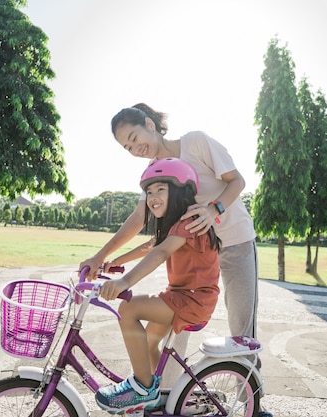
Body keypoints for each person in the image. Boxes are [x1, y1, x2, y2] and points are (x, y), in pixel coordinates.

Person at [81, 103, 259, 343]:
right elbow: (139, 217)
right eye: (128, 147)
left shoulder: (196, 143)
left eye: (134, 138)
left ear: (150, 125)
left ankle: (247, 380)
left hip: (234, 240)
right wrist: (100, 257)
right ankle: (167, 382)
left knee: (242, 329)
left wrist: (211, 210)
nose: (135, 149)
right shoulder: (155, 171)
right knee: (175, 329)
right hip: (193, 252)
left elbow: (237, 181)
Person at [94, 157, 222, 413]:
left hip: (192, 300)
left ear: (180, 192)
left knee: (129, 309)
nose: (152, 197)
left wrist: (124, 281)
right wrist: (116, 262)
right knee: (150, 344)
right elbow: (152, 245)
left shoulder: (189, 221)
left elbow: (160, 252)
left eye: (160, 189)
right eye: (149, 192)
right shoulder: (176, 224)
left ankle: (142, 388)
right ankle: (159, 395)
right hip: (180, 296)